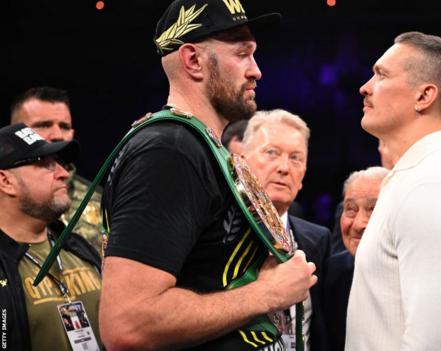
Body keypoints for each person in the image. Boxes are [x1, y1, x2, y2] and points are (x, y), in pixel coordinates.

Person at [98, 1, 316, 350]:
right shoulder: (170, 151)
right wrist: (267, 293)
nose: (256, 70)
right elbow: (127, 323)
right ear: (193, 60)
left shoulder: (199, 147)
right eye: (242, 54)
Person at [345, 31, 441, 350]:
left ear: (424, 96)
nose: (365, 86)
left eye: (381, 74)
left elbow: (438, 343)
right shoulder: (418, 177)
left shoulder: (434, 185)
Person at [0, 123, 102, 351]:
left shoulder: (78, 247)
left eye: (59, 163)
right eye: (46, 165)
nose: (64, 174)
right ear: (6, 181)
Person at [241, 109, 331, 351]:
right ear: (242, 162)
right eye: (272, 153)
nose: (284, 167)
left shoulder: (318, 240)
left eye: (296, 158)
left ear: (303, 176)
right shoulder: (214, 232)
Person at [10, 86, 103, 251]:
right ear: (15, 134)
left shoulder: (100, 201)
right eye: (44, 125)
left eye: (65, 127)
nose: (58, 135)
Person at [323, 166, 387, 351]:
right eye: (350, 209)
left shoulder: (415, 277)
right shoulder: (329, 275)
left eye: (373, 209)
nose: (359, 224)